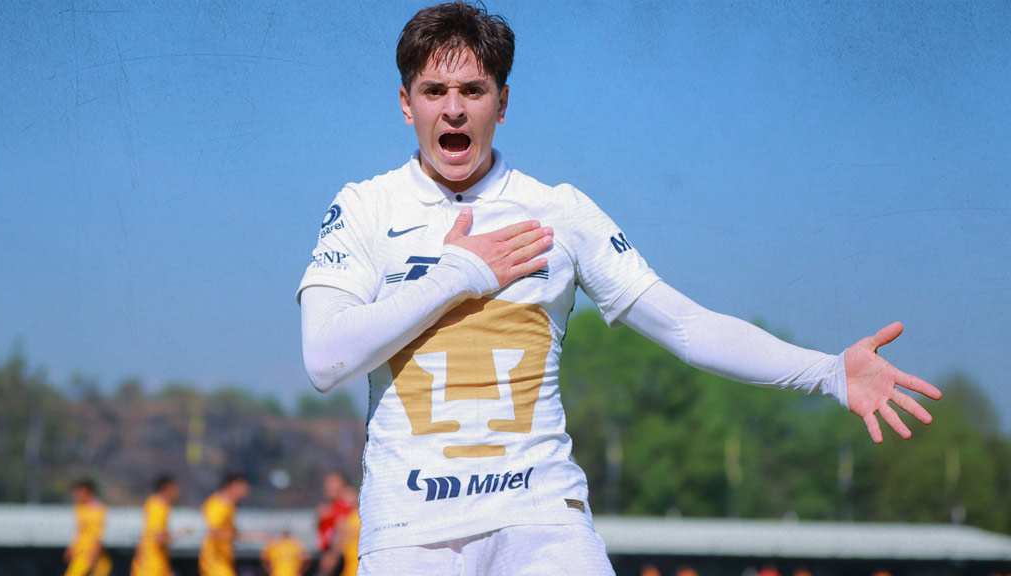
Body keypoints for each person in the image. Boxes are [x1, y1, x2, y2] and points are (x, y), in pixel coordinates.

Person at [297, 2, 942, 574]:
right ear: (406, 102)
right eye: (434, 90)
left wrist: (828, 372)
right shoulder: (364, 207)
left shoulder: (560, 211)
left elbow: (686, 326)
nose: (454, 108)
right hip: (409, 532)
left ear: (503, 101)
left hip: (540, 521)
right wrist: (457, 276)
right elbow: (326, 359)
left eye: (473, 89)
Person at [199, 473, 250, 576]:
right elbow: (214, 531)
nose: (246, 492)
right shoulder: (218, 504)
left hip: (223, 561)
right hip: (215, 562)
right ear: (231, 485)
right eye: (242, 488)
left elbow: (233, 532)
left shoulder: (229, 506)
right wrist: (230, 536)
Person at [131, 474, 181, 576]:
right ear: (167, 488)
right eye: (174, 488)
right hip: (150, 567)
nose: (177, 491)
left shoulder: (155, 504)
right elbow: (159, 537)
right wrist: (179, 534)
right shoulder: (158, 506)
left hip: (153, 565)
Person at [64, 478, 112, 576]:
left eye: (78, 492)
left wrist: (93, 557)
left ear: (86, 491)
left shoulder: (97, 509)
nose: (76, 495)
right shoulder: (79, 507)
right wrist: (72, 547)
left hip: (89, 554)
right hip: (80, 553)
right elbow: (79, 531)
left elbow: (98, 536)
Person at [315, 471, 354, 576]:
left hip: (346, 565)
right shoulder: (329, 510)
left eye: (334, 482)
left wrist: (332, 556)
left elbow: (342, 534)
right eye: (327, 482)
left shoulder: (346, 507)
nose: (329, 485)